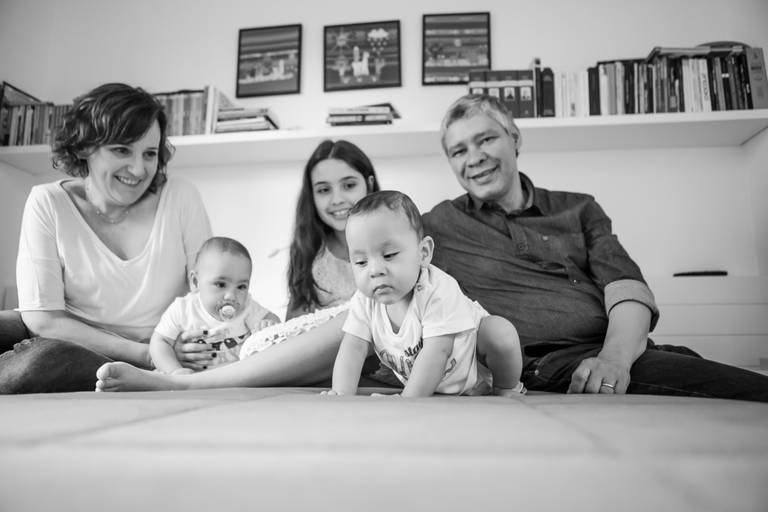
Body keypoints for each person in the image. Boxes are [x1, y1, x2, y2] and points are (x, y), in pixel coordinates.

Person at [422, 93, 768, 402]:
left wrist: (614, 359)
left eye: (486, 139)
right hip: (545, 362)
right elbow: (387, 240)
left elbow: (625, 284)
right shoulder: (439, 226)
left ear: (514, 138)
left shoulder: (579, 207)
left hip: (618, 350)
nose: (474, 158)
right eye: (459, 151)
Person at [94, 140, 384, 391]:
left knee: (361, 315)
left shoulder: (394, 238)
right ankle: (190, 377)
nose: (337, 199)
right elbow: (295, 332)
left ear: (369, 184)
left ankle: (186, 384)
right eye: (323, 190)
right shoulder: (311, 255)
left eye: (349, 185)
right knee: (269, 345)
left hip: (383, 350)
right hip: (332, 364)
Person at [0, 83, 214, 393]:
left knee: (41, 361)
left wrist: (168, 347)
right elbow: (44, 321)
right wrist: (146, 354)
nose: (138, 169)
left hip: (149, 345)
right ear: (84, 147)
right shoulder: (47, 201)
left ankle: (129, 375)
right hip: (76, 337)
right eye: (122, 150)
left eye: (150, 154)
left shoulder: (180, 196)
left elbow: (209, 290)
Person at [325, 191, 525, 397]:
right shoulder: (365, 301)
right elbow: (353, 348)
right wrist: (341, 394)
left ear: (423, 253)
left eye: (389, 255)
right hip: (430, 383)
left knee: (499, 332)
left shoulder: (437, 290)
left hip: (475, 367)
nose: (375, 270)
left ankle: (507, 387)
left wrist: (408, 400)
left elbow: (438, 351)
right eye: (361, 262)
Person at [150, 236, 280, 374]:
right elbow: (159, 343)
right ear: (195, 282)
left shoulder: (247, 307)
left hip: (239, 377)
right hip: (195, 379)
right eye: (221, 284)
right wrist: (175, 371)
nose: (231, 296)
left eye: (241, 287)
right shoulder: (183, 309)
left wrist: (269, 325)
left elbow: (274, 320)